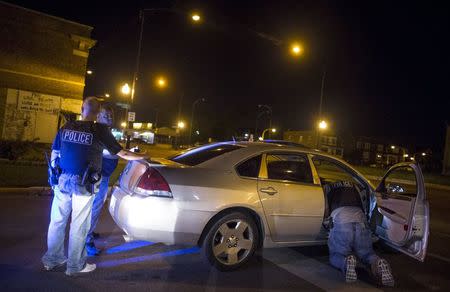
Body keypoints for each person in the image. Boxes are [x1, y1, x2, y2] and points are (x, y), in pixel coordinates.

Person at [42, 97, 146, 276]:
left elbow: (55, 153)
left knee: (57, 222)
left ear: (82, 108)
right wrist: (144, 156)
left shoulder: (66, 127)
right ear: (98, 113)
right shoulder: (100, 130)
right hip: (84, 183)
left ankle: (52, 259)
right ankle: (75, 266)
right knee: (79, 225)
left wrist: (53, 178)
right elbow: (122, 153)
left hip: (62, 181)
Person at [325, 180, 394, 287]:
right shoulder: (355, 186)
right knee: (367, 254)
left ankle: (346, 263)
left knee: (336, 254)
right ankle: (378, 262)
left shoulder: (328, 188)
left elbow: (325, 209)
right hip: (360, 221)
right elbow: (366, 205)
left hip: (342, 221)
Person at [85, 104, 118, 256]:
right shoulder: (98, 132)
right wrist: (122, 153)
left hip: (102, 176)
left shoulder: (105, 131)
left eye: (111, 116)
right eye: (106, 116)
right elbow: (108, 152)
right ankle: (87, 241)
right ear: (98, 116)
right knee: (93, 209)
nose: (109, 118)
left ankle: (89, 234)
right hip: (97, 178)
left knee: (95, 209)